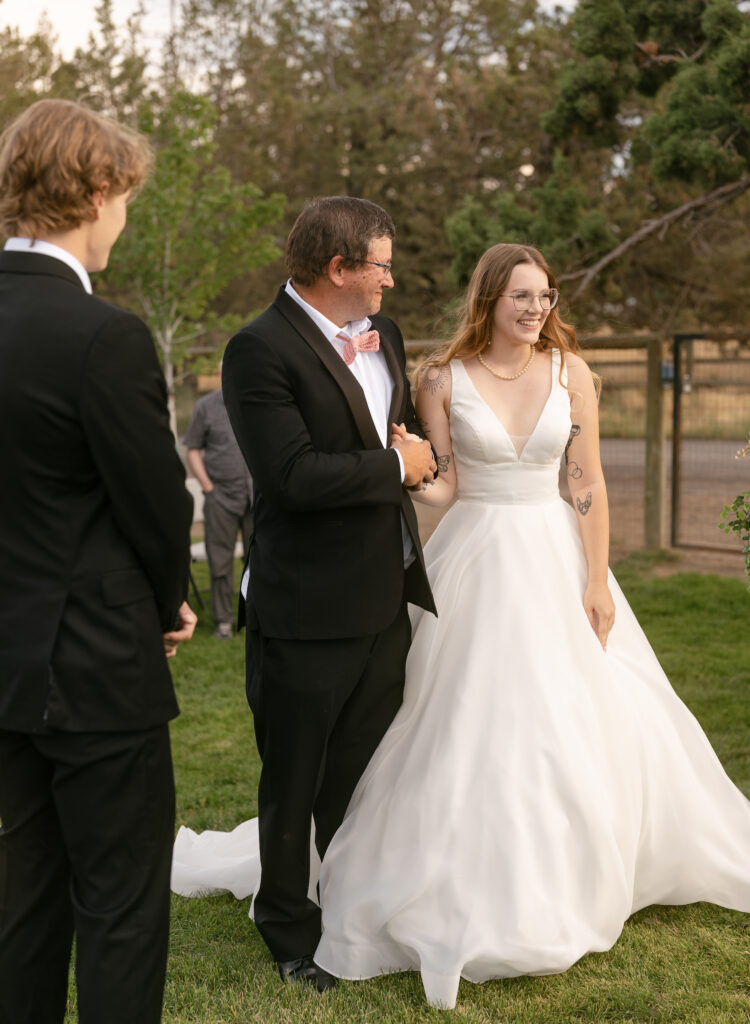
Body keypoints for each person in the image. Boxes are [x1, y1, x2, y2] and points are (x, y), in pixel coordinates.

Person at [312, 242, 750, 1006]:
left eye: (545, 297)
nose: (537, 309)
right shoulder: (441, 379)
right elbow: (445, 491)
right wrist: (408, 470)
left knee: (577, 710)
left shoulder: (571, 374)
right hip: (476, 557)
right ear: (489, 299)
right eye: (522, 296)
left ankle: (591, 861)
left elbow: (585, 479)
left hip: (553, 557)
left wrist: (595, 577)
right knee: (463, 716)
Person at [0, 99, 196, 1024]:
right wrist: (171, 602)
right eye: (123, 198)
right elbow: (156, 502)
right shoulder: (100, 336)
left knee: (20, 905)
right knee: (118, 905)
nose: (124, 218)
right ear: (93, 189)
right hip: (96, 664)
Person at [220, 196, 437, 991]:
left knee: (360, 771)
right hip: (303, 608)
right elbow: (291, 477)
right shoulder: (258, 350)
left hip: (385, 597)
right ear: (337, 268)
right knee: (294, 778)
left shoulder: (389, 337)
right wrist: (397, 469)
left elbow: (393, 432)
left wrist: (407, 447)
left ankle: (346, 901)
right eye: (380, 263)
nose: (391, 275)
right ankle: (286, 928)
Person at [184, 377, 254, 638]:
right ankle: (223, 622)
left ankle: (256, 619)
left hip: (255, 495)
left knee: (259, 562)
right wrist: (207, 485)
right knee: (220, 563)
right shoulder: (206, 406)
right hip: (220, 497)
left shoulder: (256, 399)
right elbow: (192, 448)